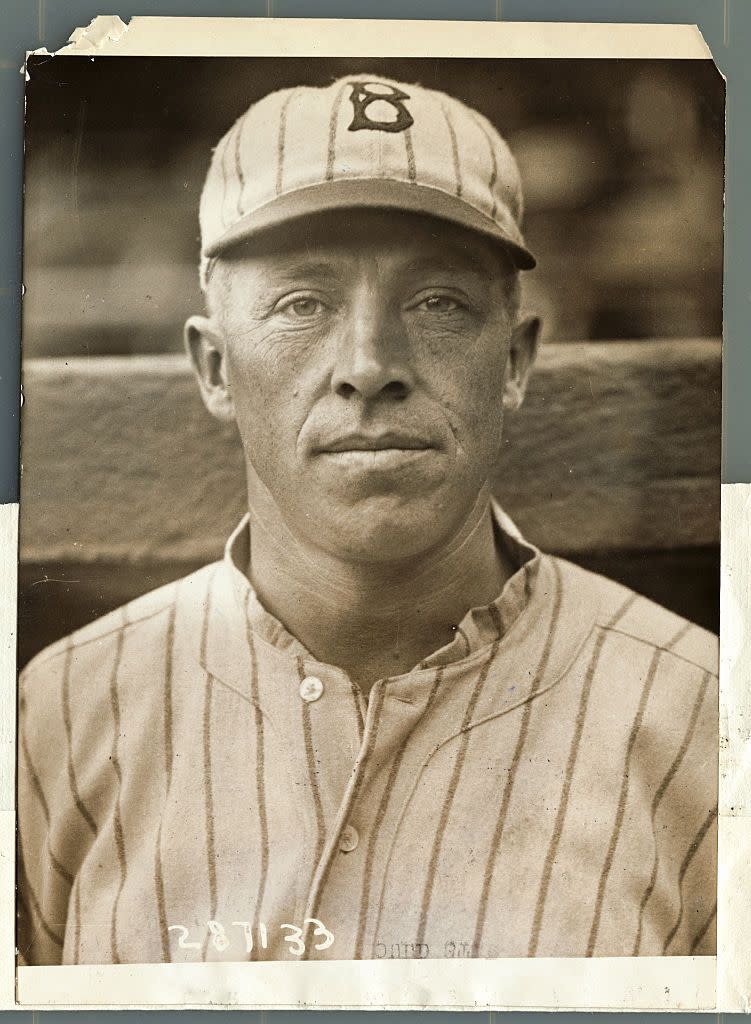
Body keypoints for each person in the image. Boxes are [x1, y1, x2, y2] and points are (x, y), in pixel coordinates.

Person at [18, 75, 718, 966]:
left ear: (513, 361)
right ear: (214, 368)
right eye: (302, 304)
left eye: (437, 304)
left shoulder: (700, 713)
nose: (369, 365)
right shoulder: (65, 711)